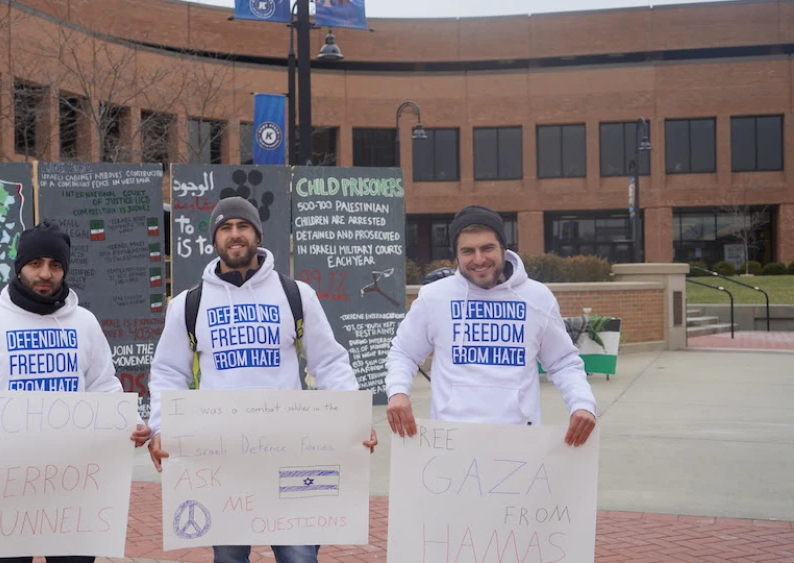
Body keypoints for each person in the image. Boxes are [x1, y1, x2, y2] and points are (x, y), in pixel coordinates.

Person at [0, 220, 151, 563]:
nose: (45, 273)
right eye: (36, 264)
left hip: (72, 487)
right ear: (20, 268)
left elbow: (103, 385)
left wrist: (131, 421)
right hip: (4, 488)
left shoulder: (84, 323)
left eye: (55, 265)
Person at [146, 196, 377, 563]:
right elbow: (168, 373)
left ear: (258, 234)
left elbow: (329, 362)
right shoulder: (188, 305)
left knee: (299, 557)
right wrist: (161, 426)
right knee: (230, 559)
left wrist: (355, 418)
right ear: (214, 239)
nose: (234, 235)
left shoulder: (296, 295)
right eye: (225, 228)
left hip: (291, 452)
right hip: (220, 458)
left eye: (243, 226)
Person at [385, 205, 597, 446]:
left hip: (519, 441)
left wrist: (582, 403)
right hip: (450, 441)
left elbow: (562, 363)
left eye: (487, 248)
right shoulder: (433, 298)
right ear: (456, 255)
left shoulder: (538, 298)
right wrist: (398, 392)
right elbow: (403, 353)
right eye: (467, 251)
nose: (478, 259)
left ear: (504, 249)